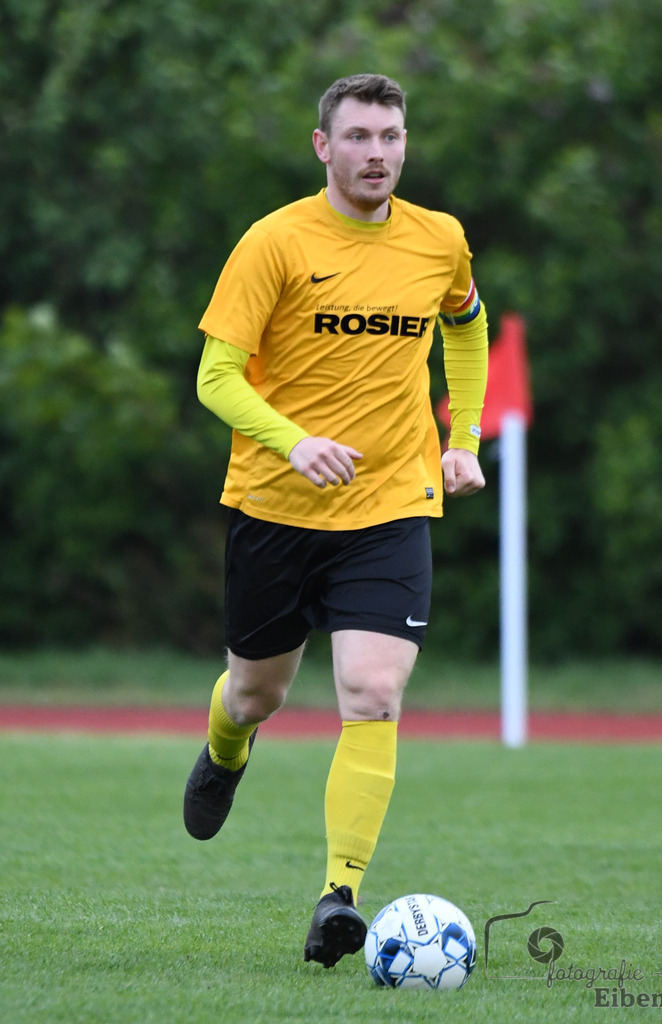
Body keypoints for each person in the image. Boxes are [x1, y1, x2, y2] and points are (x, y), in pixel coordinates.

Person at [183, 72, 488, 969]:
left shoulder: (439, 240)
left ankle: (339, 896)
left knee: (372, 693)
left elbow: (465, 327)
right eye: (357, 137)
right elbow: (215, 378)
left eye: (390, 137)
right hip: (276, 507)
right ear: (324, 147)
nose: (377, 154)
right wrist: (292, 442)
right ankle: (224, 747)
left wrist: (460, 436)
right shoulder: (272, 242)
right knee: (257, 693)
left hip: (390, 504)